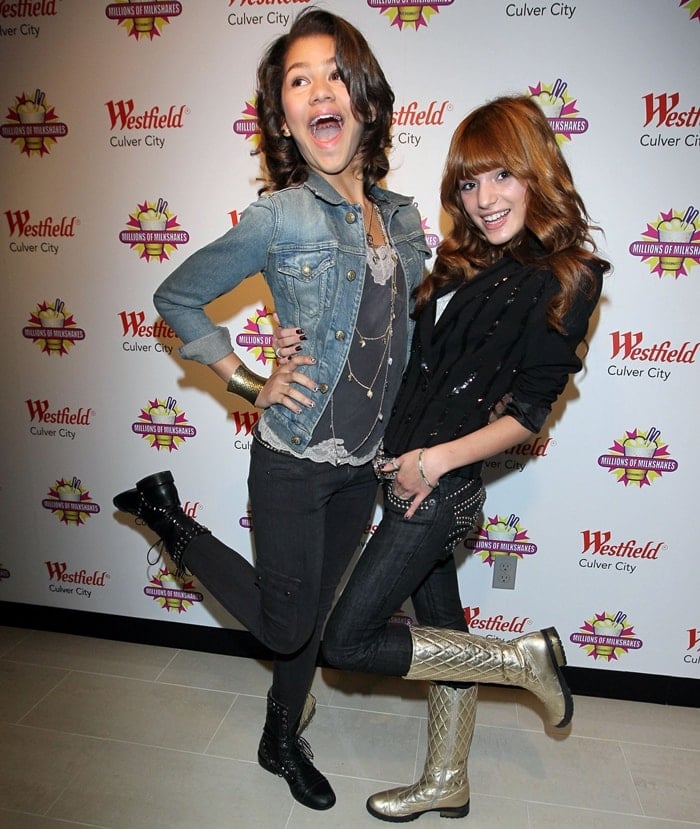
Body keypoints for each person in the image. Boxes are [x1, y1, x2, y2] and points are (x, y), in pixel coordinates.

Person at [112, 7, 429, 812]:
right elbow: (177, 296)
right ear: (284, 117)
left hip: (363, 463)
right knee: (287, 626)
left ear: (365, 99)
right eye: (298, 80)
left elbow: (410, 335)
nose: (319, 90)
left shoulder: (402, 218)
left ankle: (278, 738)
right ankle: (169, 520)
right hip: (294, 456)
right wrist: (250, 382)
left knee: (312, 615)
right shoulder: (280, 215)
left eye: (335, 74)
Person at [275, 94, 610, 822]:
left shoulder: (569, 275)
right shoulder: (461, 264)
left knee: (346, 639)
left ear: (537, 171)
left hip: (440, 485)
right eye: (469, 182)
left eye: (502, 176)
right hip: (402, 474)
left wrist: (431, 464)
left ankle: (520, 662)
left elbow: (527, 412)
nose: (484, 199)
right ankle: (447, 780)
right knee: (443, 631)